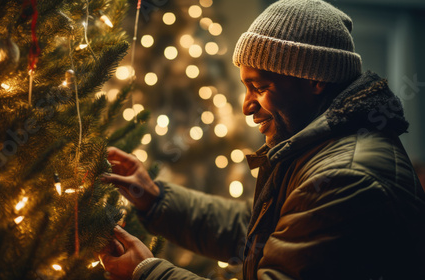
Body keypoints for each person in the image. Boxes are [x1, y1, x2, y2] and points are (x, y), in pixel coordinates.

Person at [99, 0, 425, 279]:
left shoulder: (345, 177)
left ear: (315, 81)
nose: (246, 106)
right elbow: (258, 229)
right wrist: (155, 199)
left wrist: (146, 272)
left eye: (260, 87)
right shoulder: (316, 149)